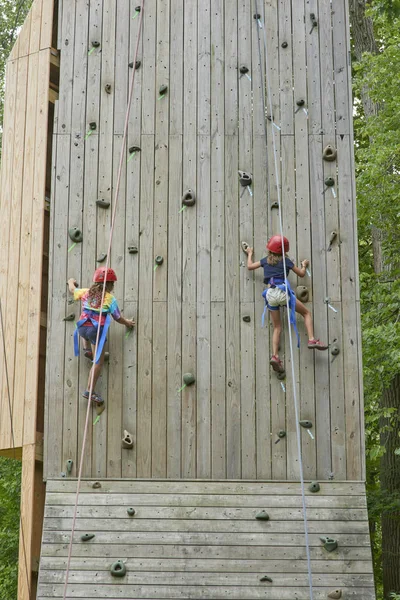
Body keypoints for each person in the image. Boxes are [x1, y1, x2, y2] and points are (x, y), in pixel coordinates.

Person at [244, 235, 327, 374]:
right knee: (306, 313)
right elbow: (301, 274)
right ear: (284, 250)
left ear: (269, 249)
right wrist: (304, 265)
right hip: (283, 292)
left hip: (270, 294)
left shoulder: (265, 261)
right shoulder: (286, 261)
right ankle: (312, 339)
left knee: (277, 327)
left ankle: (275, 356)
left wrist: (250, 253)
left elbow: (250, 266)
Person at [67, 267, 135, 404]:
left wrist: (70, 282)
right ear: (110, 284)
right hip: (95, 331)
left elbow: (73, 290)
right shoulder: (109, 299)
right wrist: (127, 323)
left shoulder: (86, 292)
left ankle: (86, 349)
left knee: (85, 330)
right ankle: (89, 391)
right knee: (98, 362)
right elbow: (117, 318)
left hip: (82, 328)